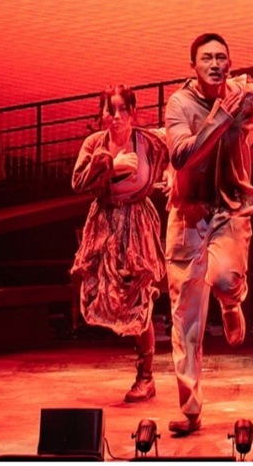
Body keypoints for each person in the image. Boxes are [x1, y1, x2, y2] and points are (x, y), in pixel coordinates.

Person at [163, 33, 253, 435]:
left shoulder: (247, 96)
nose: (215, 64)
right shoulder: (178, 103)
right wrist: (220, 118)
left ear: (230, 63)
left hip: (229, 210)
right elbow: (181, 154)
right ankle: (191, 410)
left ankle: (231, 302)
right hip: (187, 215)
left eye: (221, 58)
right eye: (206, 58)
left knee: (226, 278)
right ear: (193, 66)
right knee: (185, 319)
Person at [70, 85, 169, 404]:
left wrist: (172, 175)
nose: (116, 116)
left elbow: (178, 151)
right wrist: (112, 165)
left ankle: (146, 376)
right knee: (101, 293)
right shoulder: (94, 145)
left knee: (137, 295)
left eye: (122, 109)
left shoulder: (149, 141)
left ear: (133, 113)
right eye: (109, 110)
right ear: (101, 115)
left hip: (136, 223)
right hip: (105, 223)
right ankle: (142, 368)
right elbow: (78, 182)